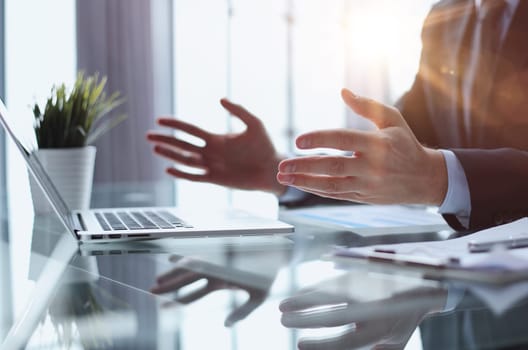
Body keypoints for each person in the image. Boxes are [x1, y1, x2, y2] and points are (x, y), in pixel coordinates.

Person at [147, 0, 528, 232]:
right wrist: (282, 172)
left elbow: (426, 173)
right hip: (454, 306)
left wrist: (438, 178)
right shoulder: (446, 17)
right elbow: (395, 162)